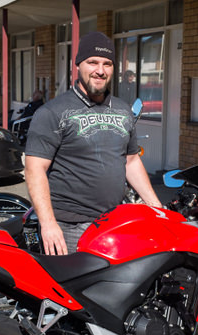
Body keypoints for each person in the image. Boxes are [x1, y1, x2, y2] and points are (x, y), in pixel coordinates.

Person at [24, 31, 162, 255]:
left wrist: (157, 208)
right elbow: (34, 169)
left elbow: (131, 161)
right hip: (69, 226)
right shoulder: (52, 112)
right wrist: (48, 224)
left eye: (107, 64)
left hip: (113, 221)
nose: (100, 70)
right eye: (93, 62)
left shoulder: (123, 110)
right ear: (78, 64)